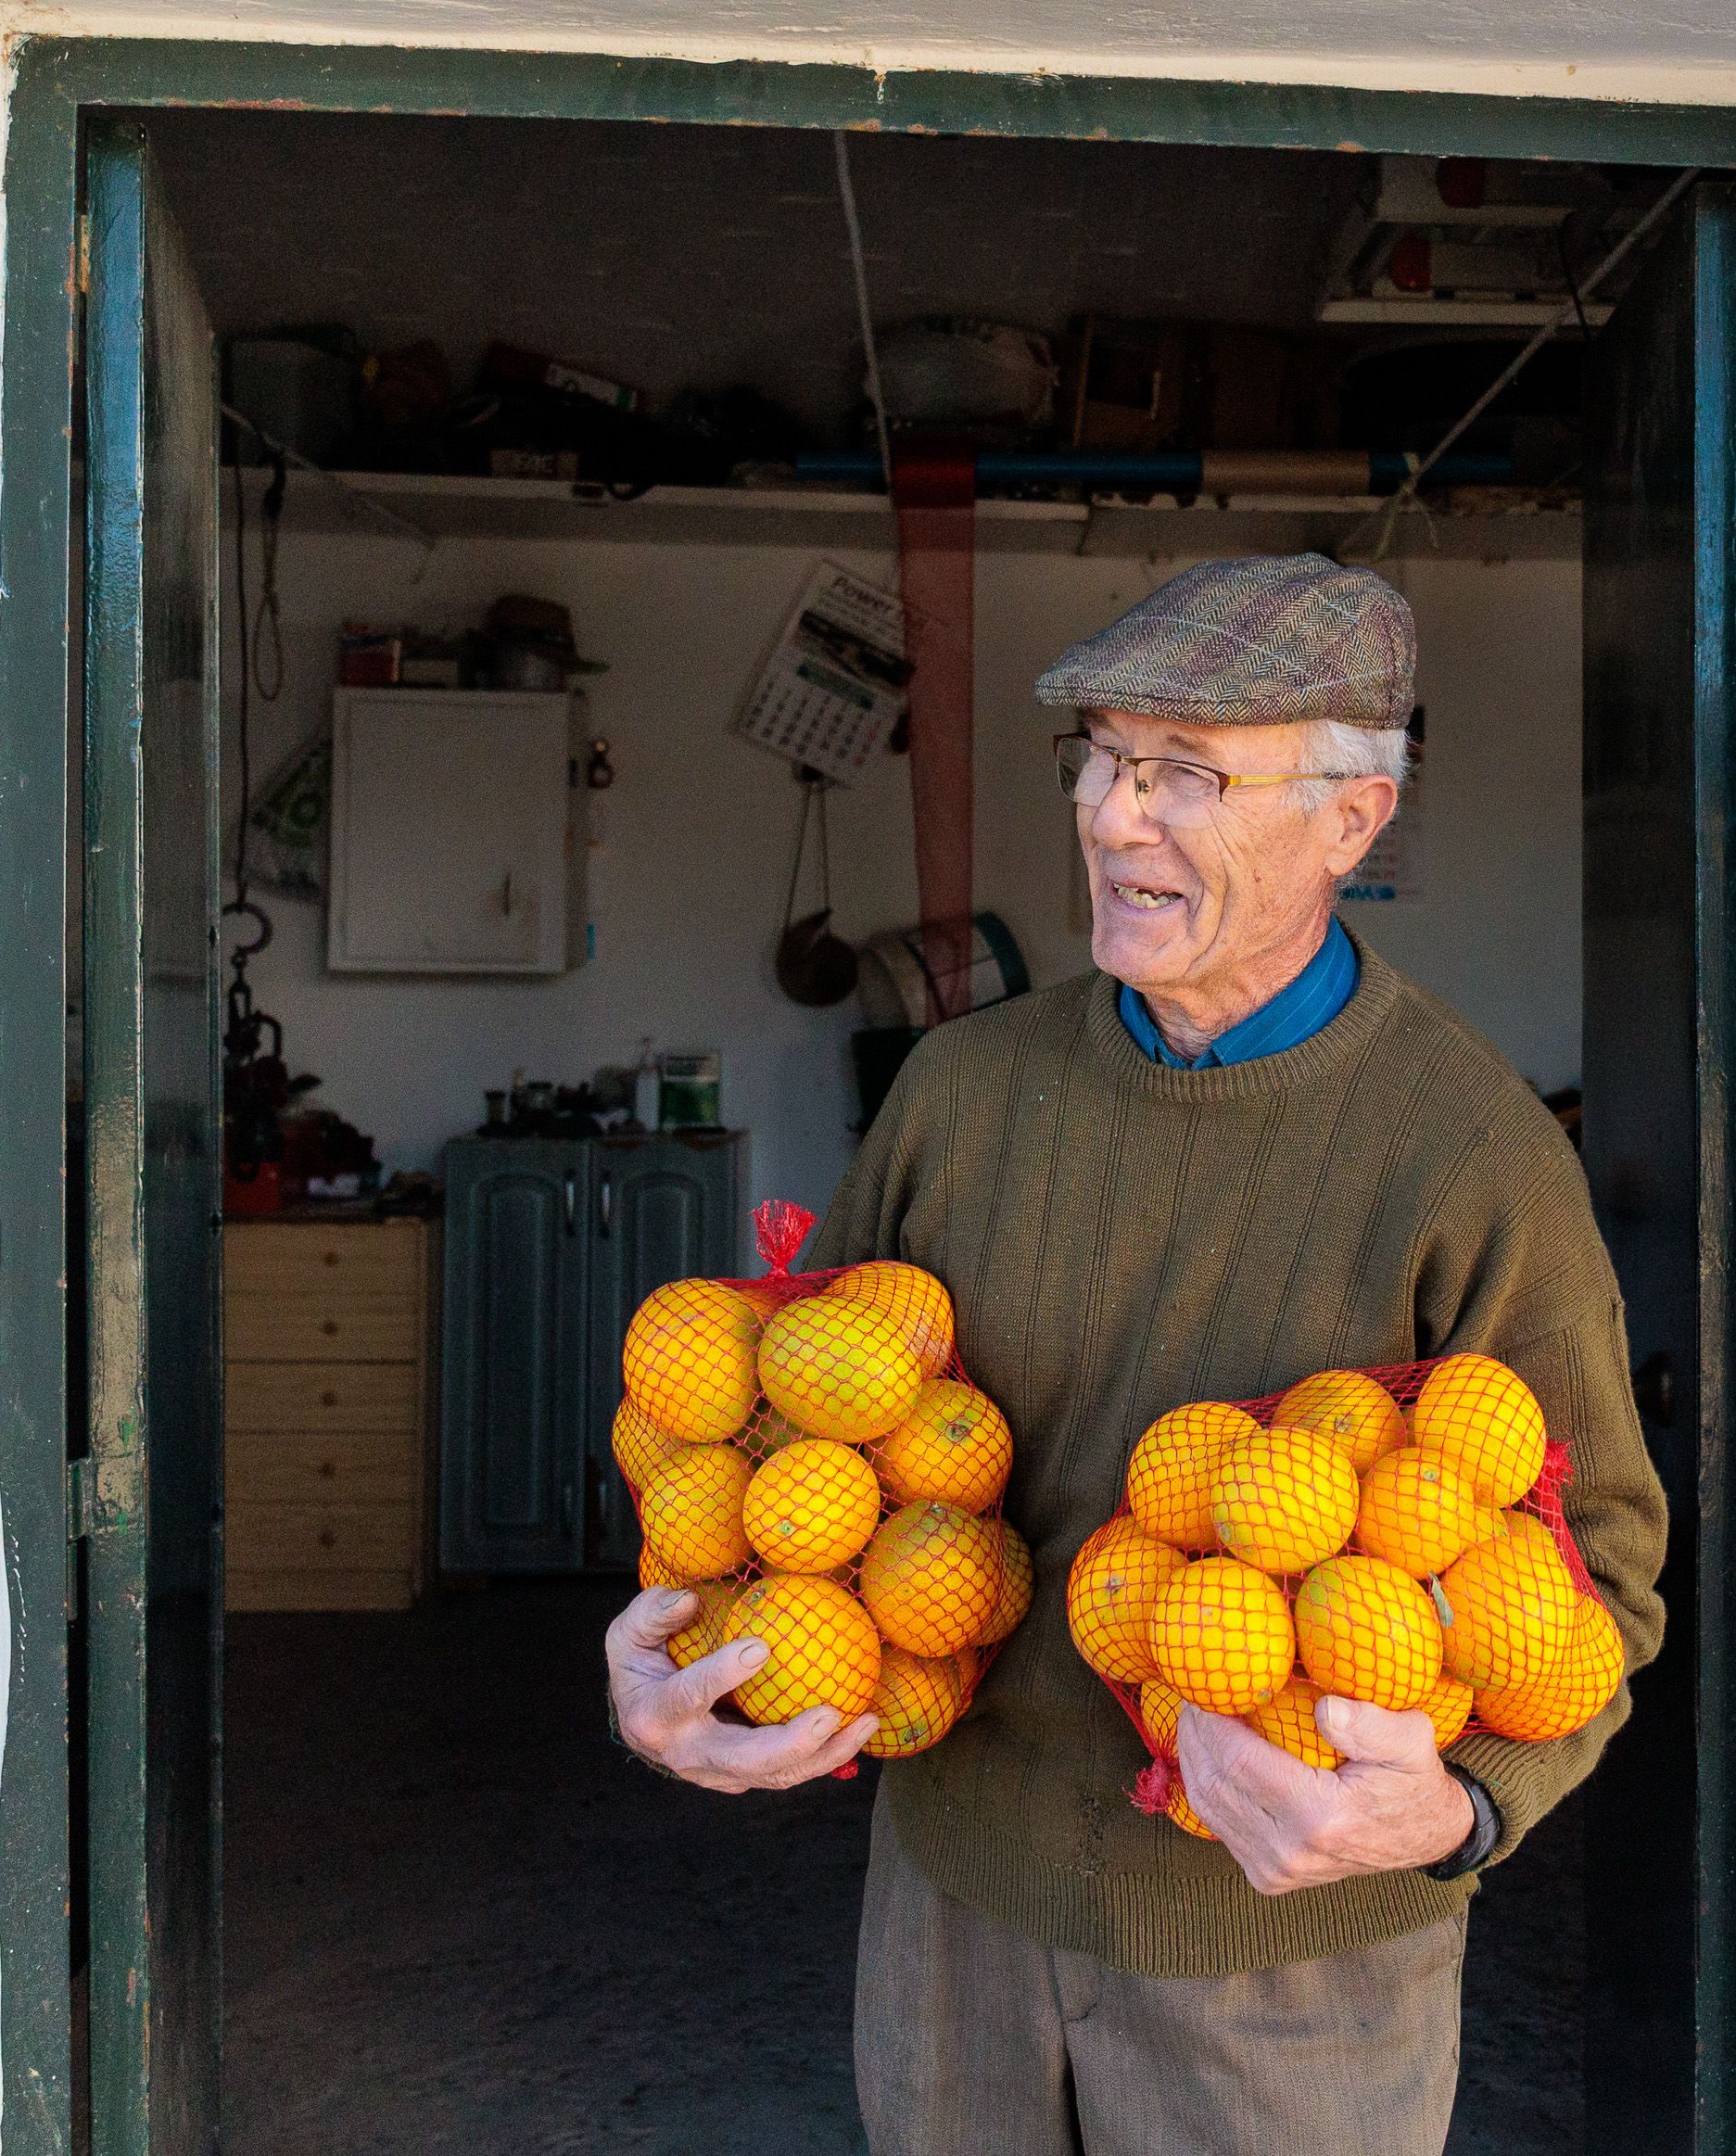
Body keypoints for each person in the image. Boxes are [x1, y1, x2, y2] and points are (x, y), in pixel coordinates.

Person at [604, 552, 1665, 2156]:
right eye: (1099, 758)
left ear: (1349, 823)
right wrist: (685, 1658)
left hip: (1288, 1970)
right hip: (955, 1921)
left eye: (1184, 775)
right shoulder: (956, 1094)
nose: (1109, 816)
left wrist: (1465, 1808)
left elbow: (1604, 1570)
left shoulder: (1471, 1152)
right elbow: (803, 1440)